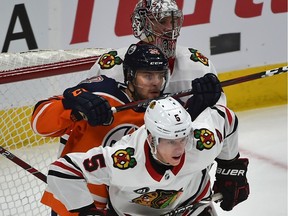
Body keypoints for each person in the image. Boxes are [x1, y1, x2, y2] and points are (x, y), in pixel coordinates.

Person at [45, 96, 250, 216]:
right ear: (151, 138)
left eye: (182, 138)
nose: (180, 148)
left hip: (192, 208)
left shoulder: (201, 141)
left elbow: (226, 117)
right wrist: (85, 211)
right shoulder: (124, 159)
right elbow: (62, 170)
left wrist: (230, 169)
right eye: (170, 141)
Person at [31, 43, 171, 215]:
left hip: (127, 207)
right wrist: (74, 109)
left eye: (160, 76)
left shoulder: (164, 112)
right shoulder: (102, 95)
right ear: (130, 76)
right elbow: (39, 125)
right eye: (148, 76)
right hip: (77, 203)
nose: (156, 83)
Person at [89, 0, 226, 105]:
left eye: (174, 21)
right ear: (141, 24)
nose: (170, 29)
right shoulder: (110, 66)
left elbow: (222, 117)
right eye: (162, 21)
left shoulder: (197, 65)